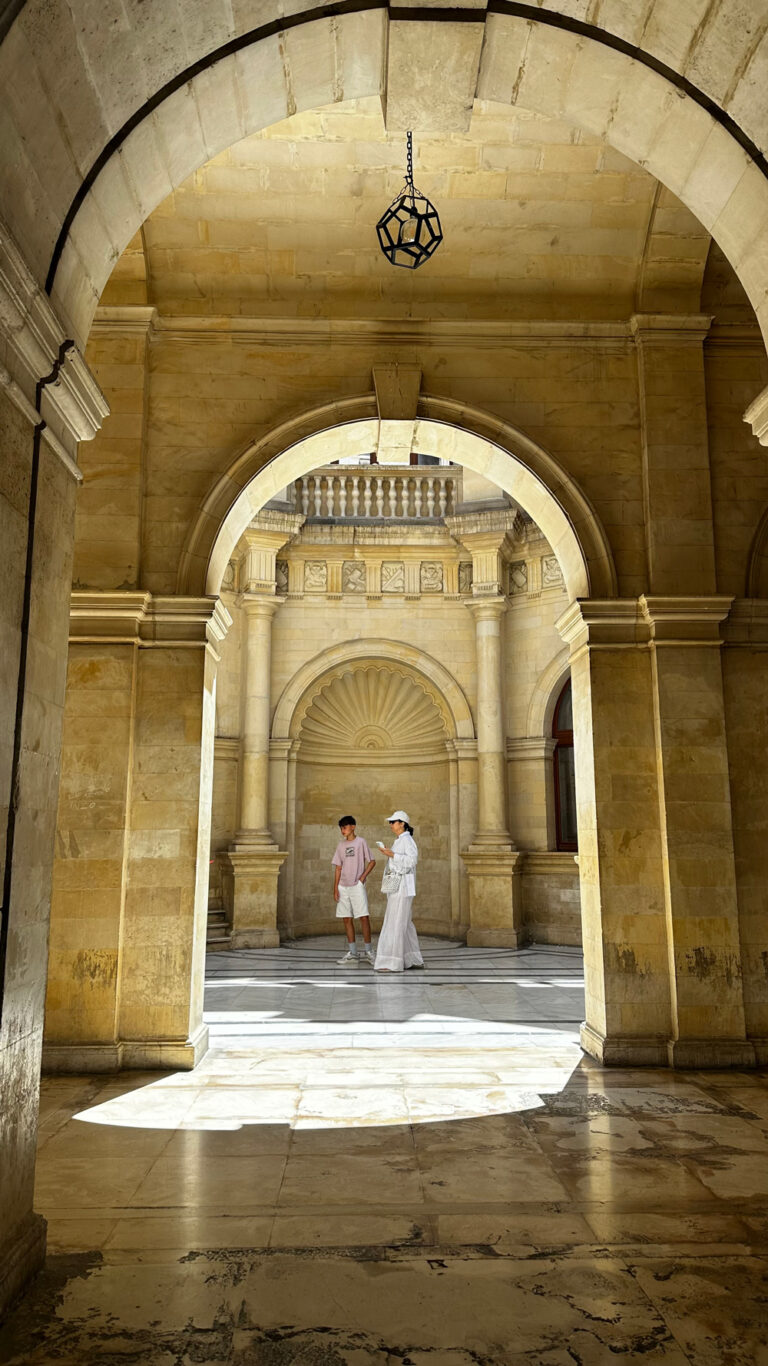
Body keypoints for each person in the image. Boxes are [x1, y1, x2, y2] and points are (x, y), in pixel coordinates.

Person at [374, 809, 424, 973]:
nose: (391, 824)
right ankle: (411, 957)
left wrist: (392, 855)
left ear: (402, 823)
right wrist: (391, 853)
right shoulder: (401, 840)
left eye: (393, 821)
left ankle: (392, 962)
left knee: (395, 920)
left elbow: (411, 860)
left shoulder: (407, 840)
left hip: (402, 886)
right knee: (403, 921)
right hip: (400, 885)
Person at [332, 815, 376, 965]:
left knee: (363, 917)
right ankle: (353, 953)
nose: (342, 831)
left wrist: (362, 878)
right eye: (341, 828)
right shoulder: (340, 845)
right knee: (346, 918)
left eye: (344, 827)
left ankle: (369, 952)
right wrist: (335, 888)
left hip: (356, 885)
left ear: (353, 827)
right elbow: (338, 868)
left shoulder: (361, 842)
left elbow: (372, 861)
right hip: (343, 887)